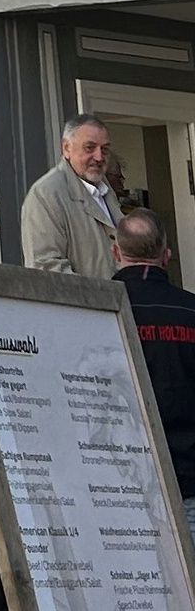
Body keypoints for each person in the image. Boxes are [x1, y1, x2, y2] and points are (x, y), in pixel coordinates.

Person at [111, 210, 195, 538]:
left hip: (116, 484)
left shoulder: (92, 311)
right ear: (166, 254)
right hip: (187, 476)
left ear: (116, 253)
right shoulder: (189, 311)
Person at [21, 113, 120, 280]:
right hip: (85, 304)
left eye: (104, 149)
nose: (99, 157)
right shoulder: (47, 194)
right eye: (89, 148)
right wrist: (95, 299)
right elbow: (46, 267)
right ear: (66, 148)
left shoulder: (105, 191)